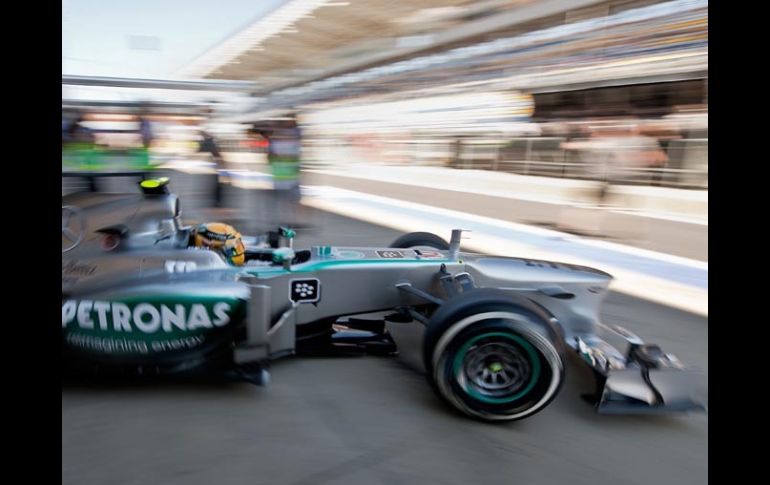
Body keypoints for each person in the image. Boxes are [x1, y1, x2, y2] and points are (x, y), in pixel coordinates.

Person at [199, 130, 225, 207]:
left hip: (205, 168)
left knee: (206, 186)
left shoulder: (203, 143)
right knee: (215, 186)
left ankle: (209, 202)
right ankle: (217, 202)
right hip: (212, 168)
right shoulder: (211, 143)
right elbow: (217, 155)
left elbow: (199, 154)